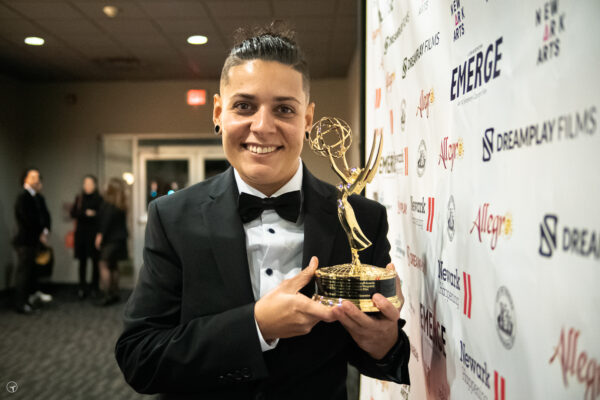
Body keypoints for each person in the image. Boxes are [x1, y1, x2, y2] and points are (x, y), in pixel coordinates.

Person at [115, 23, 410, 399]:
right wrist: (256, 325)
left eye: (284, 109)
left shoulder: (363, 218)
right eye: (244, 106)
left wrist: (384, 343)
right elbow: (139, 357)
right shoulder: (172, 218)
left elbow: (381, 355)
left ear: (307, 120)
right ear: (219, 113)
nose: (262, 126)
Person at [13, 168, 52, 314]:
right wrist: (39, 234)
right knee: (24, 272)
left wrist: (45, 231)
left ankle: (30, 298)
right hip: (25, 241)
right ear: (25, 179)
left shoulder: (38, 197)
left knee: (32, 271)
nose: (36, 180)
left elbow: (46, 216)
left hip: (34, 241)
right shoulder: (23, 197)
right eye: (32, 177)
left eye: (38, 177)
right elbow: (27, 219)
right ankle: (21, 303)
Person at [95, 177, 128, 306]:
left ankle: (106, 295)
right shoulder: (120, 203)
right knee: (113, 265)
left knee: (103, 264)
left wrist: (100, 236)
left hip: (110, 240)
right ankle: (115, 293)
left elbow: (105, 222)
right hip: (120, 239)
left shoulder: (108, 203)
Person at [70, 175, 103, 299]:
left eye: (90, 183)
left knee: (95, 262)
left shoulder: (99, 199)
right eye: (86, 183)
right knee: (82, 262)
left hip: (93, 234)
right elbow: (73, 213)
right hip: (81, 234)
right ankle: (82, 287)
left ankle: (95, 287)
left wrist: (94, 214)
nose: (87, 186)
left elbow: (102, 216)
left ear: (95, 185)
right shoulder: (79, 198)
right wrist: (84, 213)